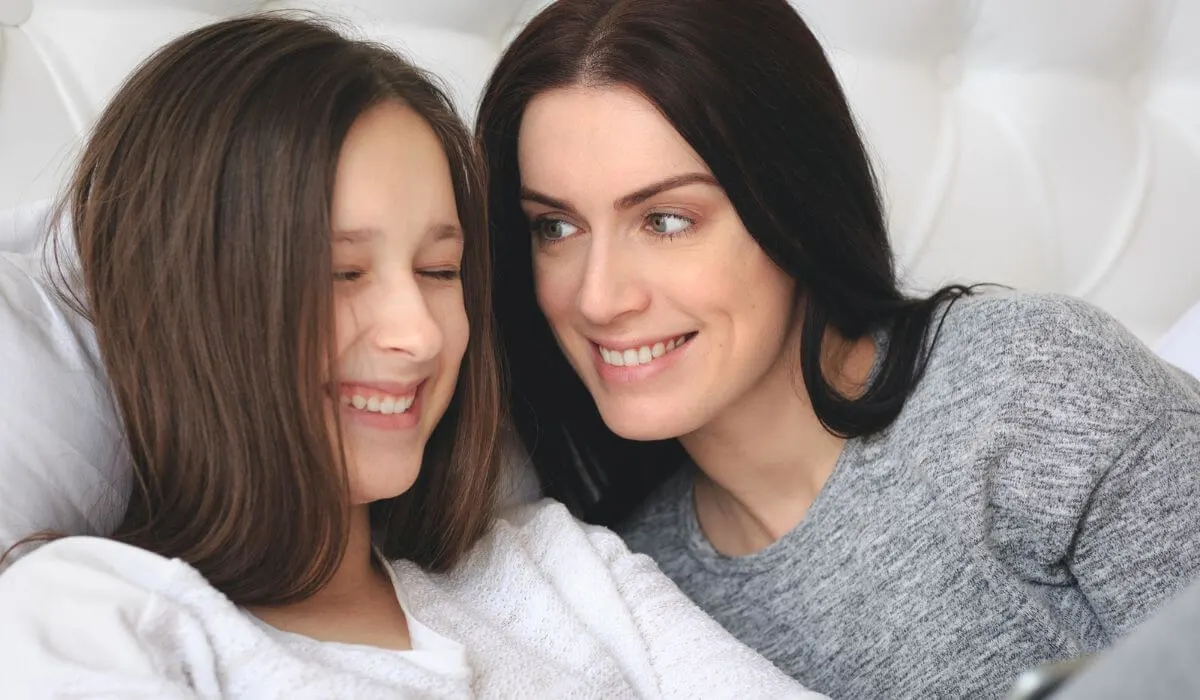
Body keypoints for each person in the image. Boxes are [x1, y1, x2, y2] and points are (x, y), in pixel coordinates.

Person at [0, 15, 820, 699]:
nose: (420, 334)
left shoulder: (548, 567)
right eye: (341, 273)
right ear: (189, 301)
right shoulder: (90, 618)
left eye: (439, 271)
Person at [476, 0, 1200, 697]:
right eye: (555, 227)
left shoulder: (1037, 387)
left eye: (667, 220)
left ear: (790, 204)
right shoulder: (629, 592)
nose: (599, 297)